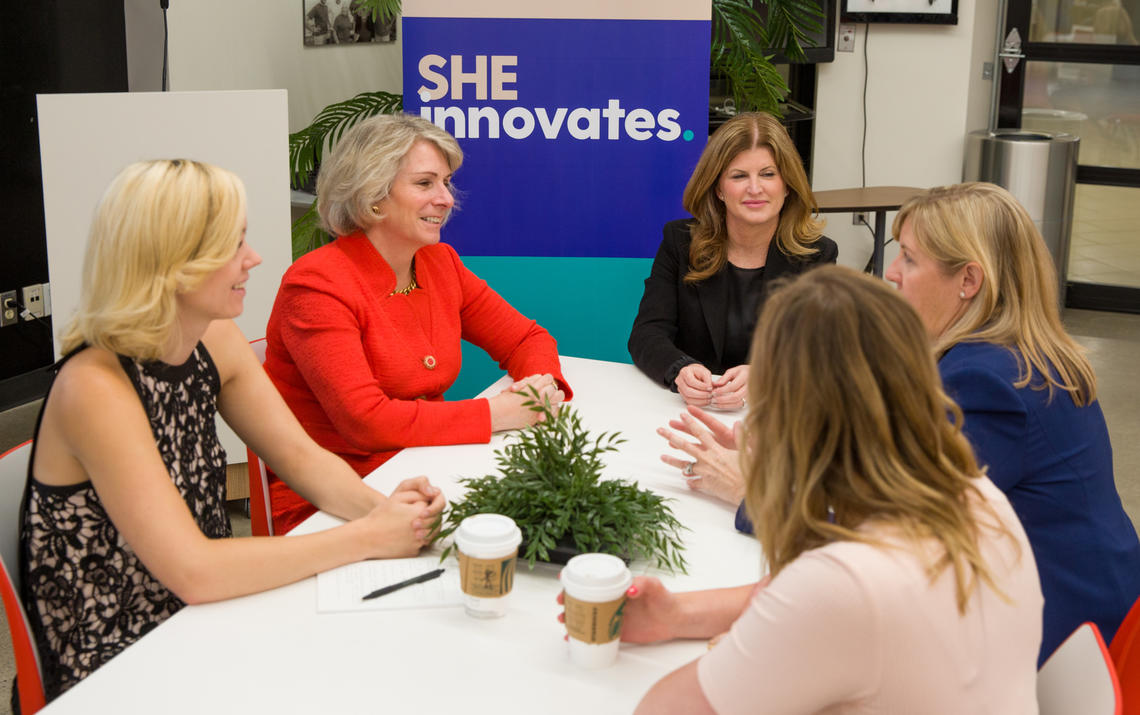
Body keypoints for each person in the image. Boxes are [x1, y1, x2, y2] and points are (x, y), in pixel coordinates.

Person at [18, 159, 445, 703]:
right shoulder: (95, 387)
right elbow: (194, 570)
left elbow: (300, 457)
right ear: (172, 263)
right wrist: (366, 537)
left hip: (201, 618)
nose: (255, 258)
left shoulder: (213, 335)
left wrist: (381, 513)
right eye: (233, 245)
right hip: (119, 659)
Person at [572, 266, 1043, 713]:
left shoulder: (842, 587)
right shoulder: (974, 493)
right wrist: (676, 614)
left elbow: (660, 709)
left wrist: (767, 483)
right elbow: (796, 587)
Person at [264, 114, 570, 534]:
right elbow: (366, 423)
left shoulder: (440, 263)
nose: (446, 198)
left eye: (445, 183)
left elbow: (526, 338)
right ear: (373, 196)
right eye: (425, 184)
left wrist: (539, 386)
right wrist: (496, 414)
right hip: (335, 497)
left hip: (424, 466)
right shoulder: (317, 284)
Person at [884, 181, 1140, 664]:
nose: (893, 273)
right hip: (1100, 610)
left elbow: (897, 522)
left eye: (910, 259)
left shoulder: (986, 380)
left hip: (1060, 644)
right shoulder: (1023, 356)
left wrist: (761, 493)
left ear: (969, 280)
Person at [628, 112, 837, 410]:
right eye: (739, 176)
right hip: (693, 411)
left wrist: (767, 375)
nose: (755, 188)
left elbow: (823, 351)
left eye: (768, 174)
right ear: (718, 189)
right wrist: (680, 370)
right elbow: (646, 333)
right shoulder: (679, 242)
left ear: (787, 185)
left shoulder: (817, 255)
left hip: (776, 414)